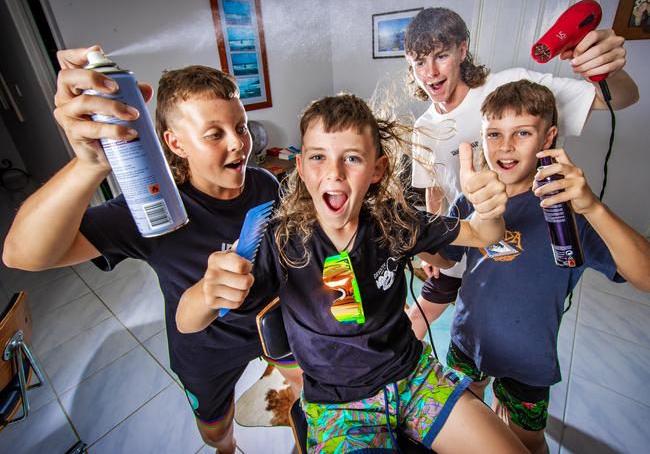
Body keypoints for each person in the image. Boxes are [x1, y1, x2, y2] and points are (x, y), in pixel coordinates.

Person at [176, 93, 529, 453]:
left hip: (414, 378)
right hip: (337, 405)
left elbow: (485, 234)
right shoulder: (281, 240)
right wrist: (207, 291)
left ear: (377, 169)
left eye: (352, 158)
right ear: (300, 166)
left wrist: (488, 211)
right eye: (318, 157)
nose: (334, 172)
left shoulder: (396, 221)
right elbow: (187, 322)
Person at [2, 46, 302, 454]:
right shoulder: (154, 209)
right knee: (215, 431)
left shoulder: (265, 182)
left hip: (272, 326)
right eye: (215, 134)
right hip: (206, 351)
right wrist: (89, 164)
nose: (239, 144)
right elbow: (23, 254)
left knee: (308, 382)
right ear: (175, 143)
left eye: (242, 126)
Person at [424, 80, 650, 453]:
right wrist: (422, 239)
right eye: (494, 134)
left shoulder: (566, 209)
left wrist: (592, 206)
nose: (505, 146)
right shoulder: (474, 196)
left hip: (527, 358)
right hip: (467, 341)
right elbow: (447, 258)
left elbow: (644, 276)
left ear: (548, 138)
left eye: (523, 132)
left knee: (526, 440)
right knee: (472, 418)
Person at [403, 7, 640, 338]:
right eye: (418, 63)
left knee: (510, 332)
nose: (430, 72)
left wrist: (606, 70)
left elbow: (621, 98)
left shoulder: (511, 87)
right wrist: (433, 236)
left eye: (440, 56)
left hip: (523, 235)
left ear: (462, 50)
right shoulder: (423, 127)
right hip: (464, 235)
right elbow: (435, 190)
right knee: (422, 321)